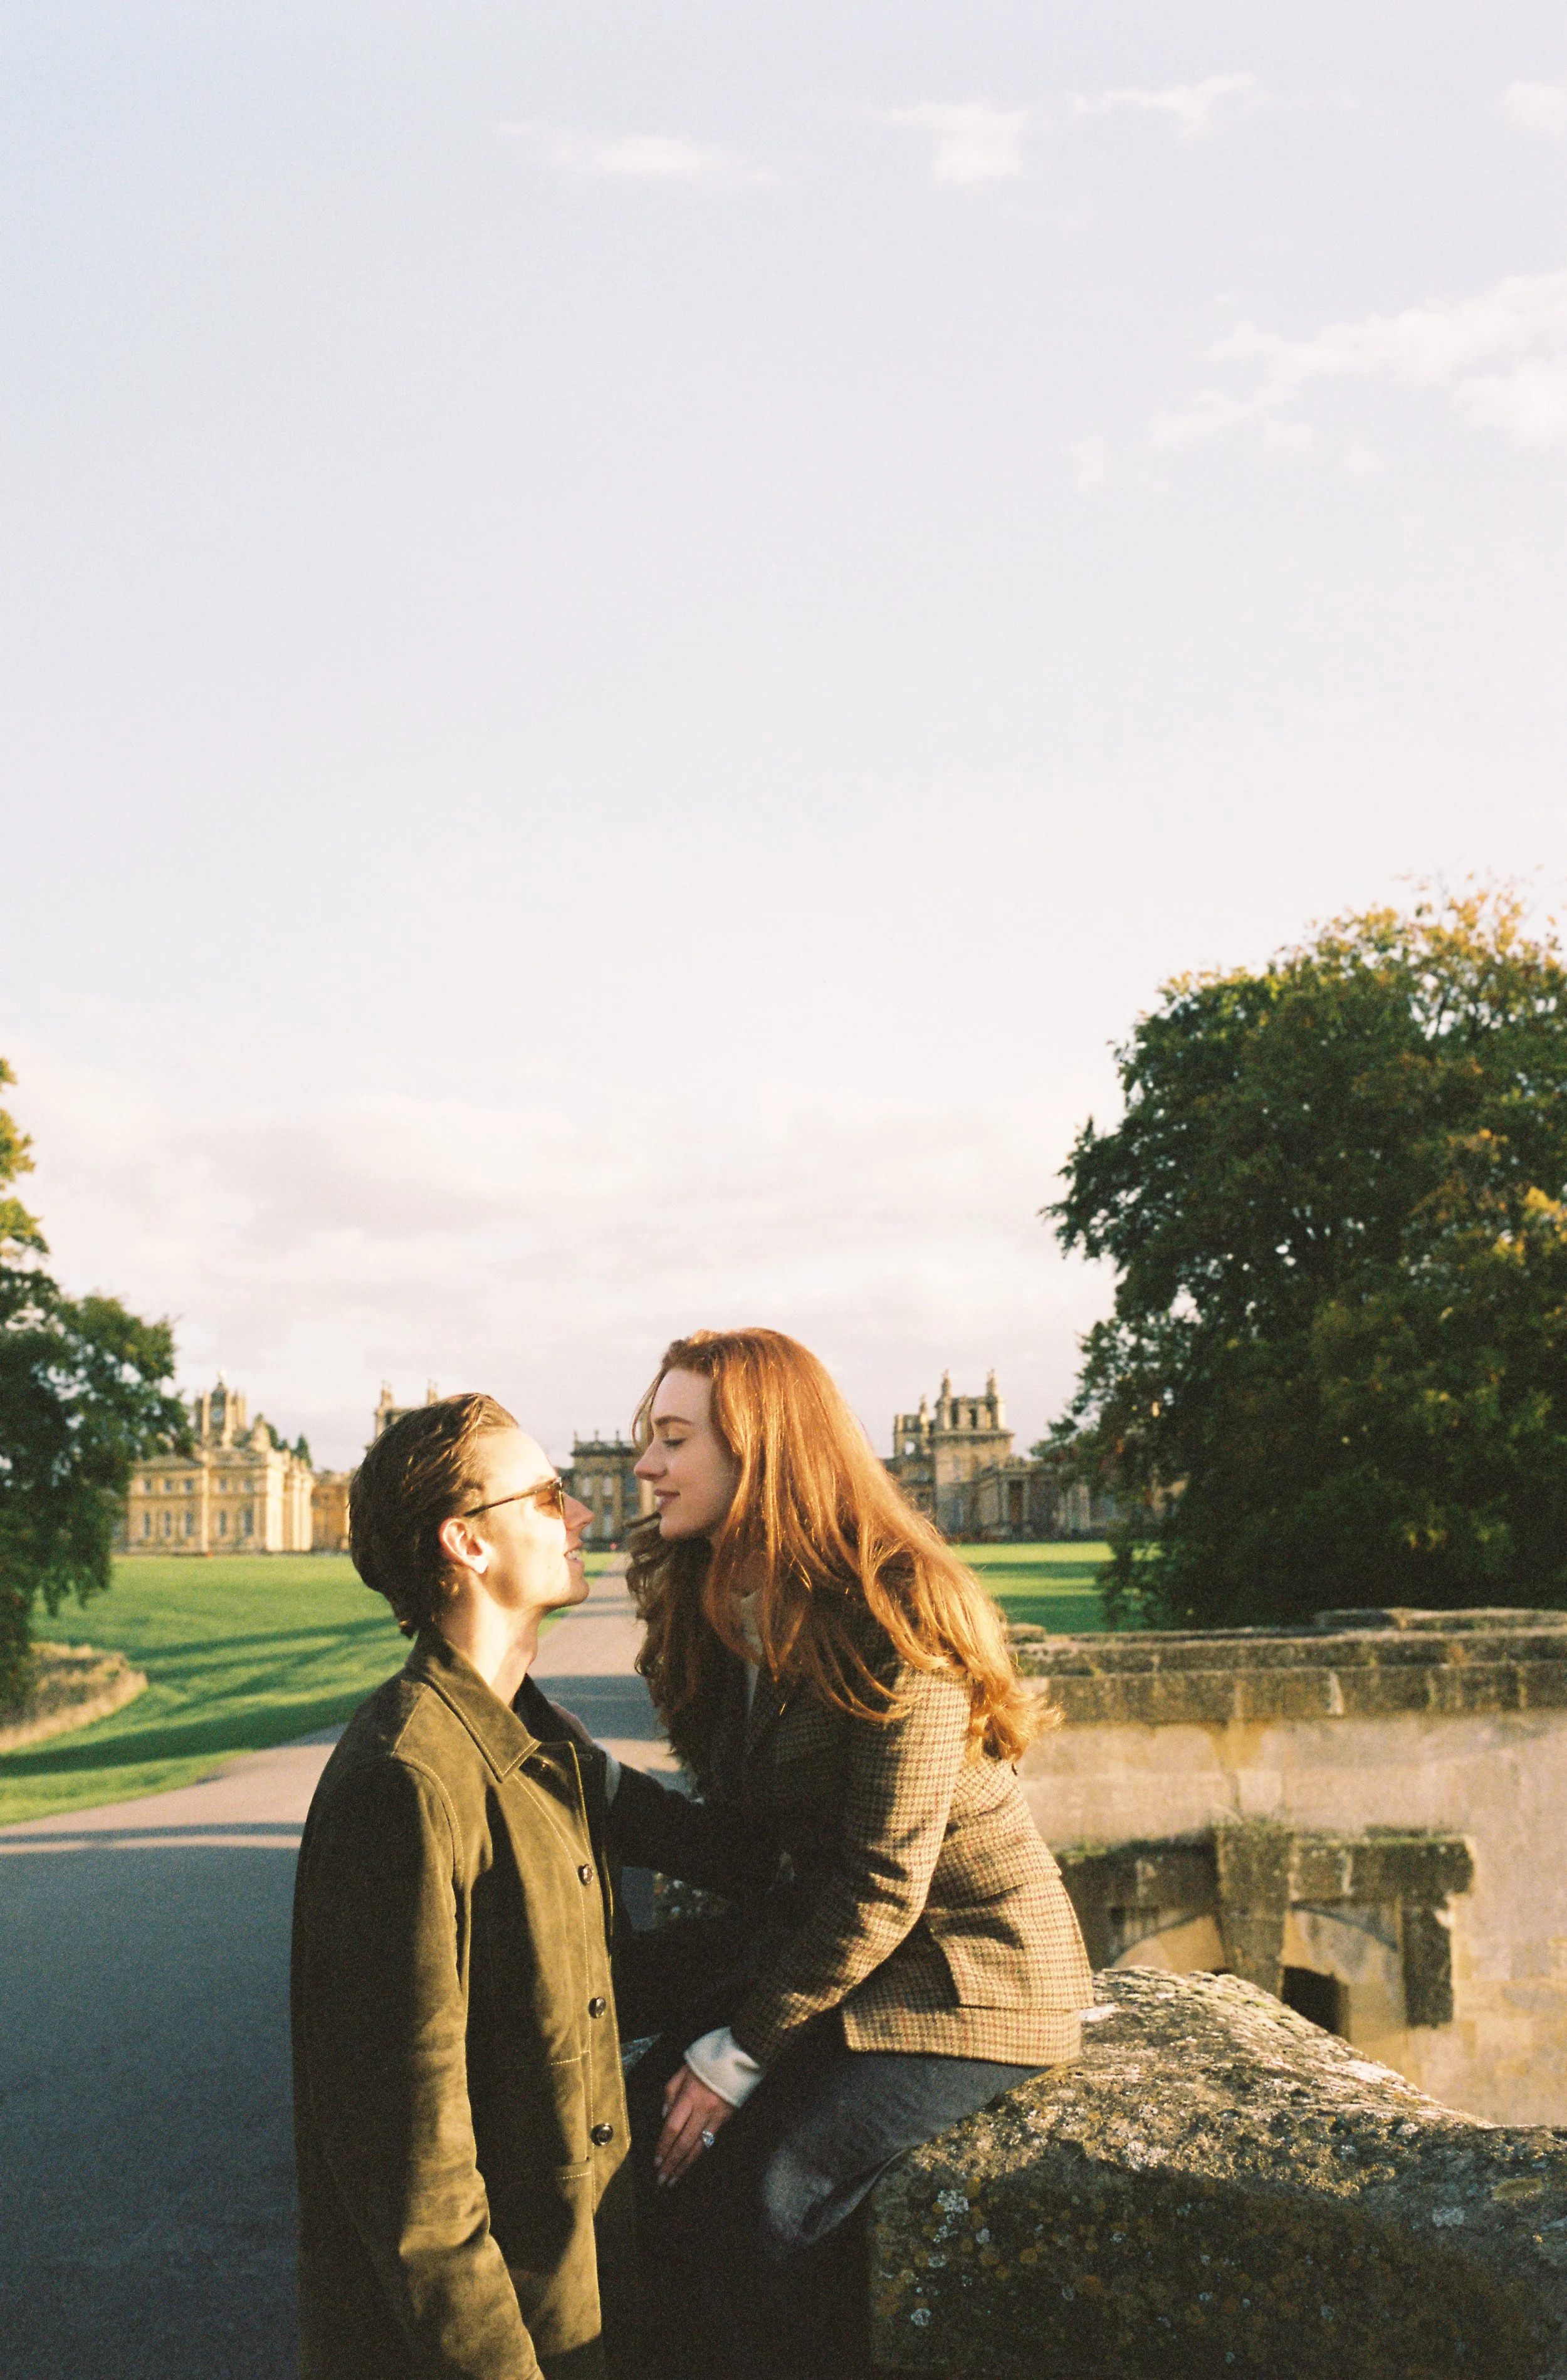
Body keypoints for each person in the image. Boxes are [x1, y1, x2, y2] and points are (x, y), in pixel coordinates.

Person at [599, 1329, 1093, 2380]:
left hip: (968, 1970)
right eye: (650, 1438)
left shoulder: (892, 1608)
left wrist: (737, 2055)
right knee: (632, 2129)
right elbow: (743, 1847)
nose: (645, 1467)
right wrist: (585, 1782)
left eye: (674, 1439)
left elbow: (882, 1884)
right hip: (836, 1944)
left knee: (766, 2186)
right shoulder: (712, 1600)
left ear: (761, 1450)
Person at [290, 1392, 639, 2380]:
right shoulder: (403, 1782)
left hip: (573, 2307)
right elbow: (416, 2186)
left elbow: (572, 2001)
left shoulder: (528, 1738)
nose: (579, 1518)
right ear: (467, 1544)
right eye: (547, 1498)